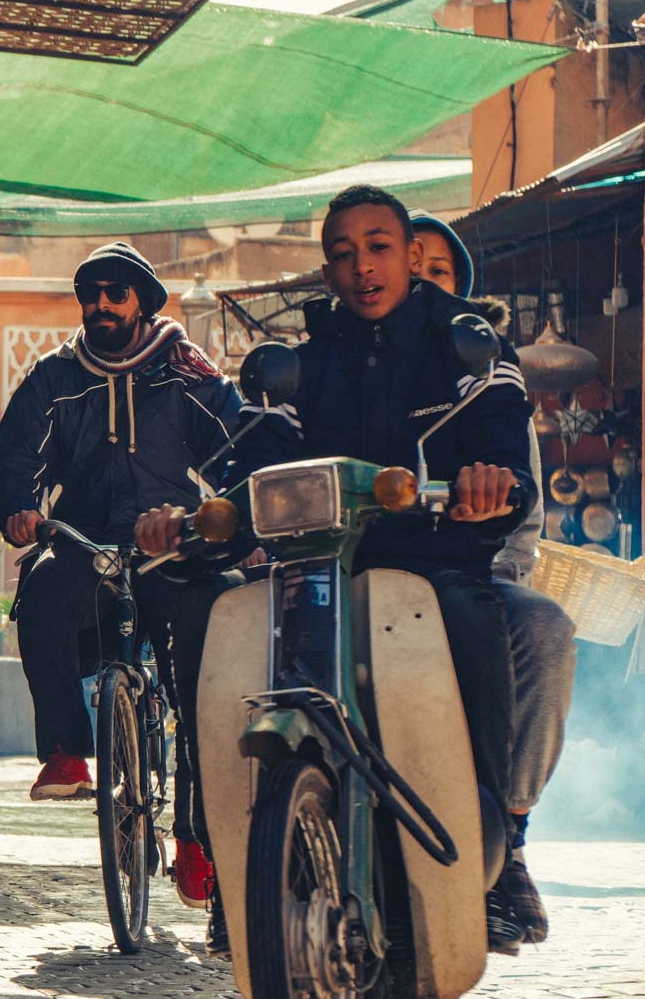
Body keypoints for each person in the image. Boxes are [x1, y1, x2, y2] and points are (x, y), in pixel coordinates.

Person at [136, 185, 538, 955]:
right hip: (312, 572)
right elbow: (253, 467)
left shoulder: (465, 348)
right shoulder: (295, 365)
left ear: (409, 255)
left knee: (473, 619)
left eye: (379, 246)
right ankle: (234, 868)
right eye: (344, 254)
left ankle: (501, 848)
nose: (363, 267)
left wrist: (492, 483)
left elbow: (505, 449)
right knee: (220, 639)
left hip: (431, 569)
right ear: (327, 269)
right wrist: (196, 517)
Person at [0, 240, 242, 907]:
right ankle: (67, 751)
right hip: (85, 546)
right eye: (89, 293)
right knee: (38, 586)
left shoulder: (184, 369)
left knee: (199, 689)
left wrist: (230, 516)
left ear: (141, 302)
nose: (99, 304)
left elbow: (238, 447)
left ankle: (195, 840)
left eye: (114, 292)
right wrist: (18, 508)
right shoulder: (55, 376)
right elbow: (15, 456)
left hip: (174, 547)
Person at [411, 209, 577, 945]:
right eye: (401, 260)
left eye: (437, 270)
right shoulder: (338, 354)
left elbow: (522, 503)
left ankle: (507, 835)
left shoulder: (488, 371)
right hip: (354, 576)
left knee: (544, 627)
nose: (417, 278)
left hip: (468, 577)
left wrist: (493, 557)